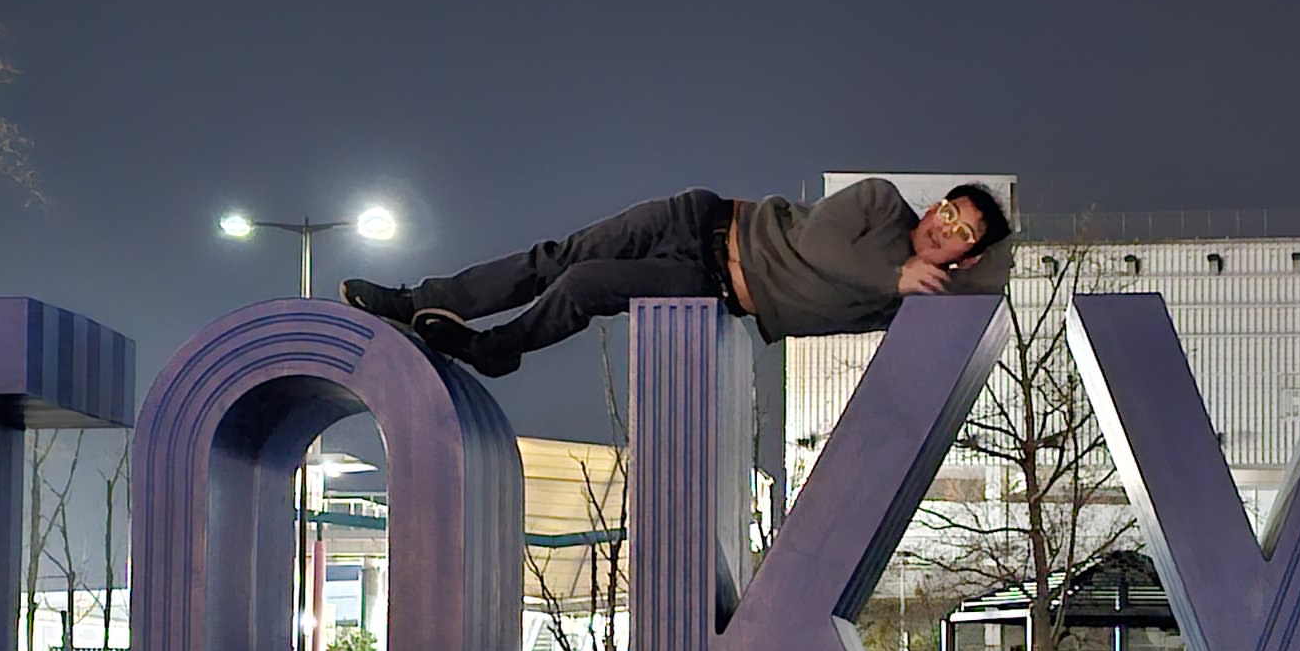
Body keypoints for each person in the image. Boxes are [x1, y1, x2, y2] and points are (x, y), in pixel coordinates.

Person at [345, 180, 1012, 377]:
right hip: (701, 223)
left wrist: (954, 279)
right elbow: (818, 244)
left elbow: (988, 302)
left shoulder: (907, 304)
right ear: (933, 207)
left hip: (713, 290)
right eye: (949, 213)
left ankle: (495, 348)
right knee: (561, 254)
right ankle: (418, 300)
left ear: (965, 256)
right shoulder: (876, 204)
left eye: (963, 234)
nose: (947, 228)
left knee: (584, 287)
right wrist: (899, 273)